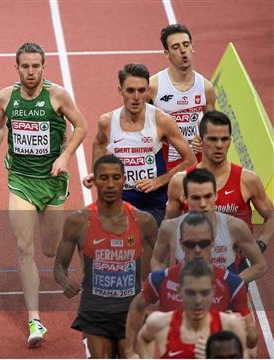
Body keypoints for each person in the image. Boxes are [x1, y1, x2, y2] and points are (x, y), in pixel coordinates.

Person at [0, 42, 87, 347]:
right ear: (17, 68)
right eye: (25, 66)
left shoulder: (57, 96)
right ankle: (35, 320)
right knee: (24, 247)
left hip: (53, 182)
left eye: (35, 66)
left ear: (44, 67)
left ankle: (61, 263)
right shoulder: (6, 97)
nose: (30, 72)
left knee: (49, 250)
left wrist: (65, 156)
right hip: (21, 180)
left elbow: (80, 126)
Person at [54, 155, 157, 358]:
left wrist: (154, 283)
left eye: (116, 178)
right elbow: (59, 266)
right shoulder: (78, 221)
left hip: (130, 312)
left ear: (124, 179)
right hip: (95, 311)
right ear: (94, 181)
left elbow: (163, 258)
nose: (110, 184)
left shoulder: (144, 221)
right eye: (104, 178)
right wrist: (65, 281)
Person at [125, 212, 256, 358]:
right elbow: (137, 312)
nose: (197, 250)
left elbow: (251, 344)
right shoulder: (160, 314)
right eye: (190, 244)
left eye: (203, 243)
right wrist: (131, 352)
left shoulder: (231, 287)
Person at [82, 63, 196, 225]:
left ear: (148, 91)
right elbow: (99, 144)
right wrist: (97, 171)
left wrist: (159, 181)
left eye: (141, 90)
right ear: (120, 90)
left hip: (155, 204)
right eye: (130, 90)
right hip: (121, 202)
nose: (136, 97)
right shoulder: (107, 122)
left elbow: (190, 160)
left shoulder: (162, 121)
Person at [165, 110, 273, 252]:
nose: (219, 145)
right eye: (213, 139)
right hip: (194, 269)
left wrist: (260, 244)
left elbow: (271, 215)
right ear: (200, 140)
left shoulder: (247, 179)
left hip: (236, 269)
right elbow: (167, 228)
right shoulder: (180, 181)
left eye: (224, 139)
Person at [152, 168, 267, 283]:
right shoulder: (169, 228)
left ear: (216, 196)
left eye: (207, 196)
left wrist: (232, 285)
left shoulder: (235, 227)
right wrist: (163, 285)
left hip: (225, 298)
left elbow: (260, 265)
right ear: (185, 199)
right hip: (185, 294)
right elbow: (158, 261)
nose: (202, 204)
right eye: (196, 198)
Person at [136, 260, 248, 359]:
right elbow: (143, 338)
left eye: (204, 293)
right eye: (191, 293)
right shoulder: (159, 322)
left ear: (213, 291)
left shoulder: (231, 326)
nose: (198, 301)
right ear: (179, 291)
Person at [148, 23, 217, 171]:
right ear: (166, 53)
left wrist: (204, 140)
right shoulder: (153, 87)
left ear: (192, 48)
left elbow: (212, 127)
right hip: (161, 161)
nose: (183, 51)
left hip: (194, 161)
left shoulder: (206, 88)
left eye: (186, 45)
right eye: (175, 47)